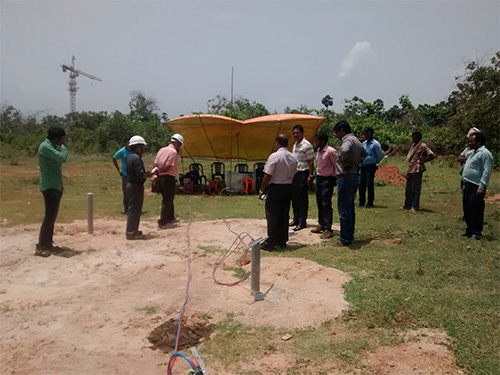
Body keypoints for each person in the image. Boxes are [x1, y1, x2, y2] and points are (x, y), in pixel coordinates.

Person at [259, 134, 298, 251]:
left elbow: (268, 174)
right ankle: (282, 241)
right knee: (284, 214)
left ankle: (271, 242)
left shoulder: (275, 156)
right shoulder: (293, 157)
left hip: (276, 187)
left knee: (272, 215)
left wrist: (262, 189)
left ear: (277, 143)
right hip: (288, 187)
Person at [36, 126, 68, 257]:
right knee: (49, 217)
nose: (62, 141)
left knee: (52, 216)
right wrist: (64, 147)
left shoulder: (52, 146)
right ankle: (41, 246)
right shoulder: (45, 147)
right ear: (57, 138)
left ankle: (48, 244)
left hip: (55, 184)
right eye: (61, 138)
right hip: (49, 185)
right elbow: (62, 158)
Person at [333, 120, 366, 246]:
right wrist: (357, 164)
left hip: (345, 176)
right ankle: (349, 235)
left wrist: (344, 162)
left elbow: (345, 151)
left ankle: (345, 238)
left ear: (342, 130)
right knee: (350, 207)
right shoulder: (357, 141)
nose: (337, 135)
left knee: (343, 208)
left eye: (337, 132)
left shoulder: (347, 141)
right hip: (353, 175)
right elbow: (364, 153)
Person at [460, 132, 493, 240]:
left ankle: (476, 232)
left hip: (476, 185)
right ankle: (469, 229)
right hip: (468, 184)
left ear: (479, 141)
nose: (469, 143)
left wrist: (481, 187)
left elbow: (486, 172)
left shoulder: (485, 153)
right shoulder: (473, 152)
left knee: (476, 209)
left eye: (472, 141)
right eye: (469, 141)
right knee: (467, 208)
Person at [310, 132, 338, 239]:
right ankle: (321, 225)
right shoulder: (318, 151)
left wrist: (335, 178)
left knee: (326, 203)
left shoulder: (331, 151)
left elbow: (337, 165)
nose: (315, 143)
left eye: (316, 140)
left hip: (328, 179)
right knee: (319, 202)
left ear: (322, 140)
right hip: (319, 178)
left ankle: (328, 229)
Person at [154, 134, 184, 229]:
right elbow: (168, 165)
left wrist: (157, 173)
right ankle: (163, 222)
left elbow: (156, 163)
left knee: (169, 198)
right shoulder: (173, 152)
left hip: (160, 178)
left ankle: (171, 218)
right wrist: (161, 171)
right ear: (178, 144)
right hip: (168, 178)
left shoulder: (161, 150)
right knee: (167, 200)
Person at [125, 135, 152, 240]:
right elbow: (140, 175)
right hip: (135, 186)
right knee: (135, 210)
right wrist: (148, 175)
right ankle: (131, 233)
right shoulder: (136, 158)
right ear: (138, 146)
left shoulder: (130, 156)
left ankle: (133, 230)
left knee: (133, 209)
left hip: (131, 184)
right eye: (142, 146)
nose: (143, 148)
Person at [403, 131, 436, 212]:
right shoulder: (413, 146)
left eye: (415, 138)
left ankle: (414, 206)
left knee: (415, 188)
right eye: (413, 138)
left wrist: (423, 161)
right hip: (411, 168)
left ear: (419, 138)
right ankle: (407, 205)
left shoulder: (423, 146)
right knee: (408, 188)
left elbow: (432, 155)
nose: (413, 139)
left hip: (417, 169)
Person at [289, 124, 314, 231]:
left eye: (297, 133)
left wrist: (310, 175)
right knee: (294, 197)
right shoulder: (295, 145)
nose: (295, 135)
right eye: (294, 133)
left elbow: (311, 161)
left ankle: (302, 221)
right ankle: (295, 218)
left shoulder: (306, 145)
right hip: (295, 173)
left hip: (303, 173)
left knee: (302, 198)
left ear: (302, 133)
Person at [358, 128, 383, 208]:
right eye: (365, 134)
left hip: (370, 166)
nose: (366, 136)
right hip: (363, 166)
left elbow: (380, 155)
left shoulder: (375, 144)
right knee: (361, 184)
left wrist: (374, 161)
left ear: (372, 134)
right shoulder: (364, 143)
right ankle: (361, 202)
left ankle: (370, 202)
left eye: (367, 134)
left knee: (369, 184)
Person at [112, 137, 131, 214]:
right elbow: (114, 158)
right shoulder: (122, 151)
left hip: (133, 174)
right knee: (126, 191)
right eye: (128, 143)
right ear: (125, 143)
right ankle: (126, 209)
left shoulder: (134, 150)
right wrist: (118, 169)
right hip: (125, 174)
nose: (129, 145)